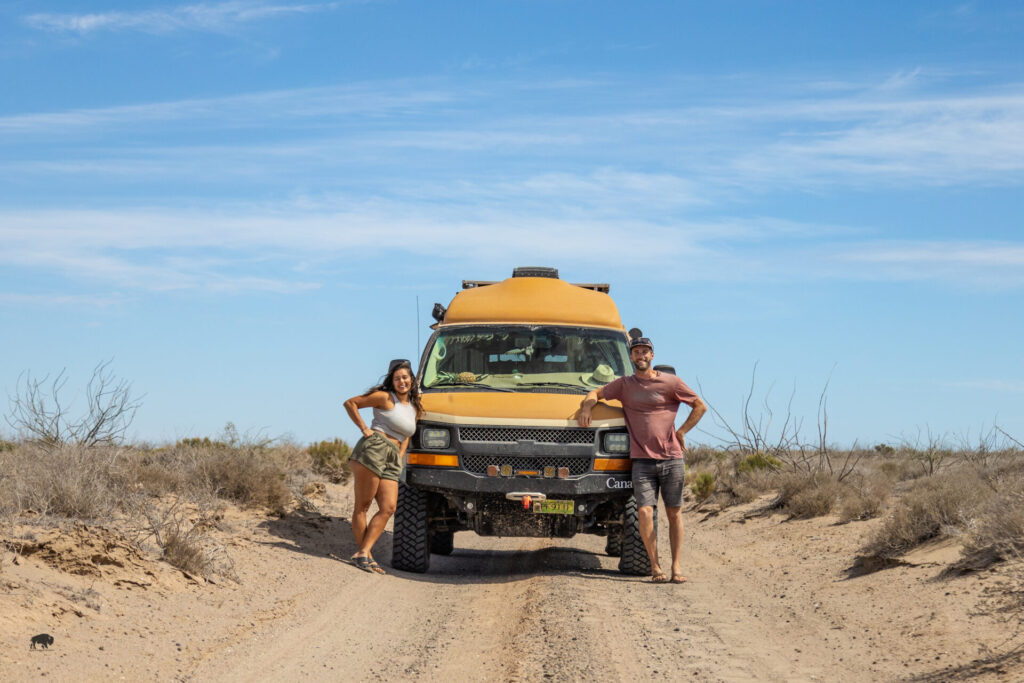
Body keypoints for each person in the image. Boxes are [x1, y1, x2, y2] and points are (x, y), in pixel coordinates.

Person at [578, 336, 706, 584]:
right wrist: (586, 408)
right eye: (636, 352)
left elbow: (699, 406)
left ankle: (676, 566)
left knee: (674, 514)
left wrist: (681, 432)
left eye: (645, 351)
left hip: (672, 459)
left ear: (652, 356)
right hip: (642, 462)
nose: (641, 355)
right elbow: (595, 392)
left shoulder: (671, 382)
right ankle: (655, 566)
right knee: (645, 512)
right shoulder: (624, 385)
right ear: (632, 357)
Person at [343, 359, 423, 574]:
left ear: (412, 380)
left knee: (389, 507)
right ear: (392, 381)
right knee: (363, 505)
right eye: (397, 378)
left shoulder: (413, 407)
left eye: (405, 377)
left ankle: (363, 552)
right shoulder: (385, 397)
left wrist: (400, 454)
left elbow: (406, 434)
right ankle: (365, 555)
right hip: (374, 449)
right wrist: (364, 429)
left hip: (392, 457)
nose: (401, 381)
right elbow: (350, 403)